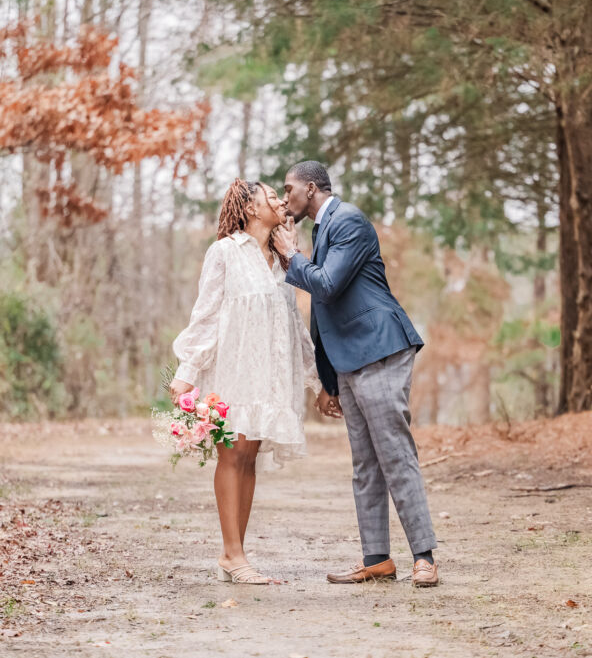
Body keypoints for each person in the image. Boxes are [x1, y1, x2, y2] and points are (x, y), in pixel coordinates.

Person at [271, 160, 440, 588]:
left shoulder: (348, 220)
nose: (283, 195)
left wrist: (291, 256)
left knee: (394, 454)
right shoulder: (319, 230)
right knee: (366, 464)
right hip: (347, 358)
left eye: (288, 188)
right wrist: (327, 382)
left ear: (310, 189)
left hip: (380, 348)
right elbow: (322, 310)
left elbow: (325, 285)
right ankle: (377, 559)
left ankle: (425, 557)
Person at [170, 179, 322, 585]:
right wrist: (187, 371)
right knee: (232, 455)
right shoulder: (224, 252)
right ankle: (233, 555)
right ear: (251, 208)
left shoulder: (282, 262)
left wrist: (316, 381)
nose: (279, 200)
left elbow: (295, 326)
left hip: (268, 379)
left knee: (250, 458)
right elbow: (206, 314)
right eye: (270, 195)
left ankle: (233, 553)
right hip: (232, 372)